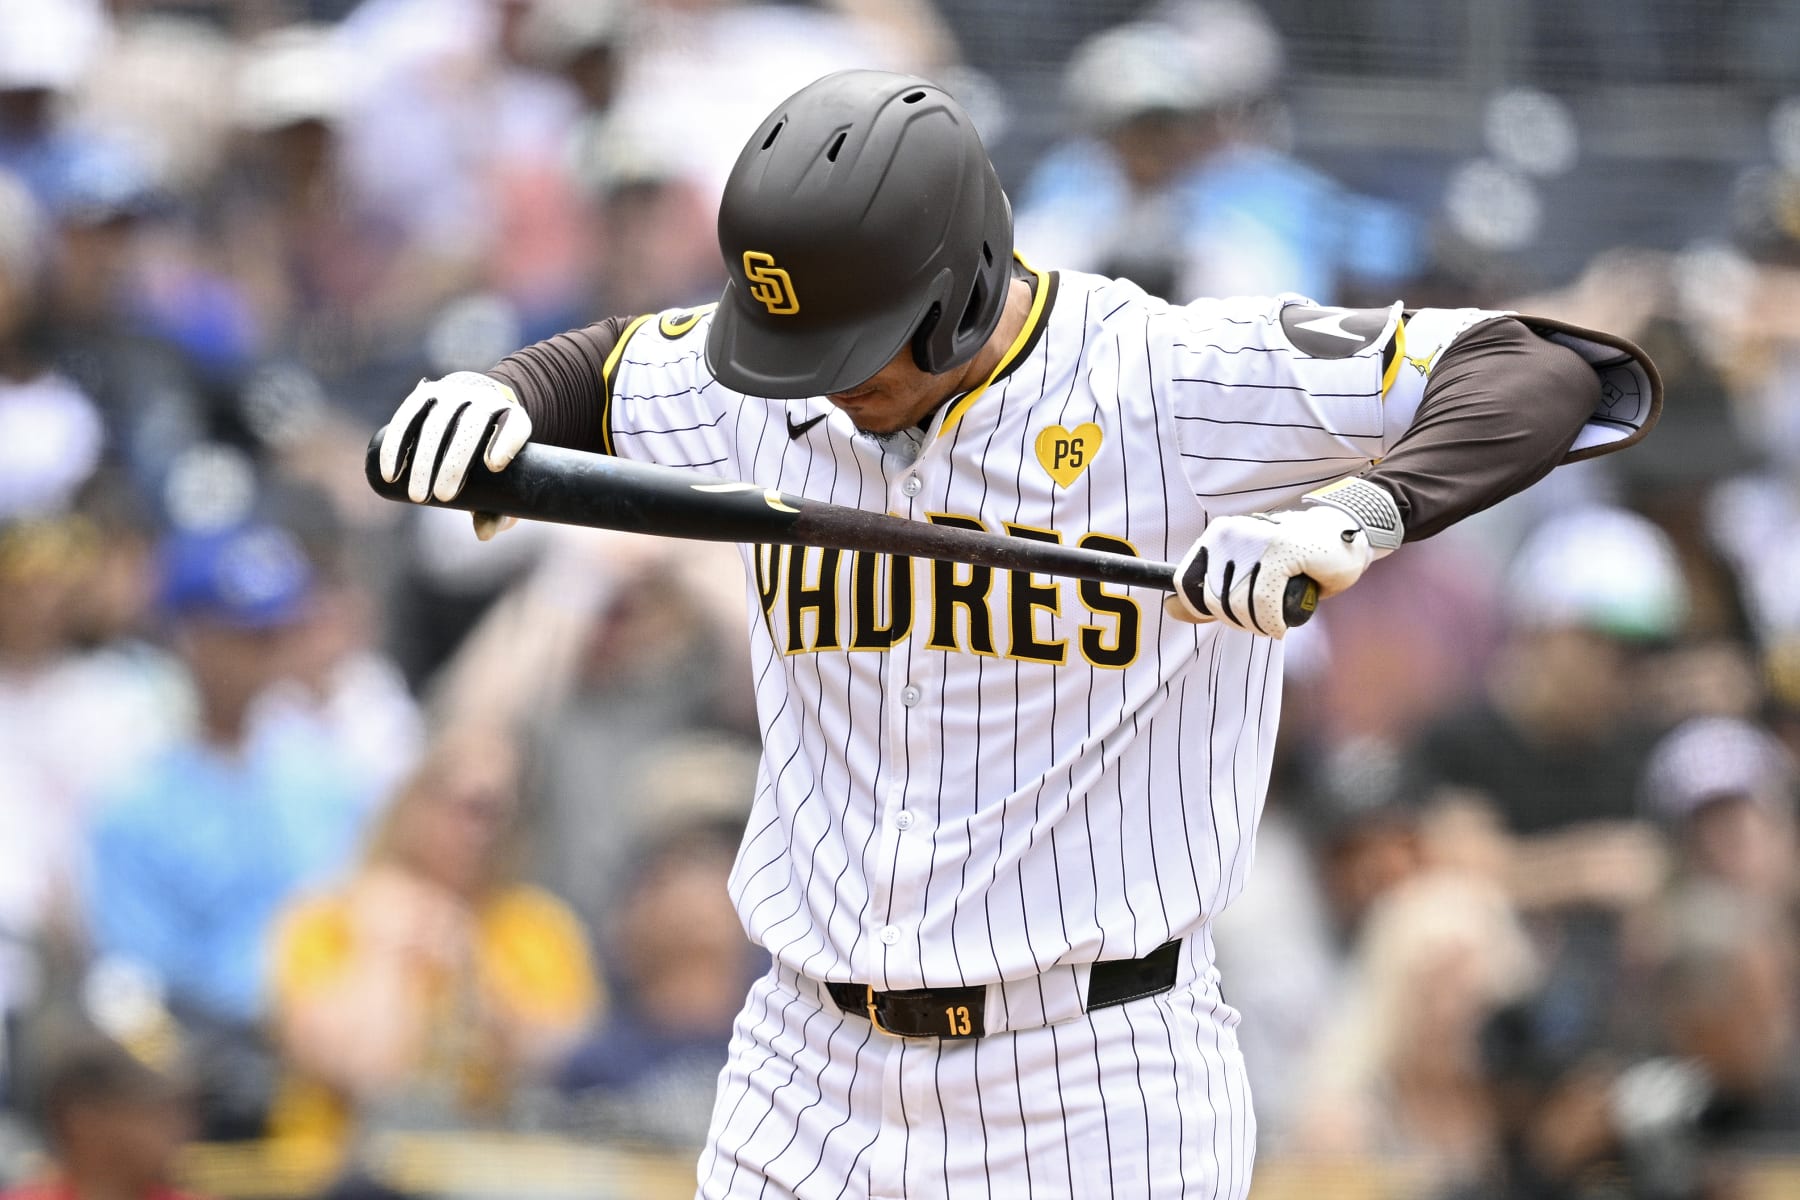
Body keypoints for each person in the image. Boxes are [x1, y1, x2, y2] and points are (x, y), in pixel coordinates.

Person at [374, 70, 1659, 1199]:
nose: (818, 382)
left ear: (963, 286)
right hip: (802, 1067)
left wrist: (1355, 513)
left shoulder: (1164, 377)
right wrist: (490, 397)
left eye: (852, 351)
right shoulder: (775, 369)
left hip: (1090, 1078)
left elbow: (1549, 364)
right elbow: (600, 372)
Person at [266, 728, 599, 1157]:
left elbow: (566, 1068)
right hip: (337, 1171)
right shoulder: (328, 917)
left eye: (496, 812)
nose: (479, 831)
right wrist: (383, 953)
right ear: (412, 802)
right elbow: (361, 1071)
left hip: (484, 1169)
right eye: (466, 807)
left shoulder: (538, 928)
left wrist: (475, 976)